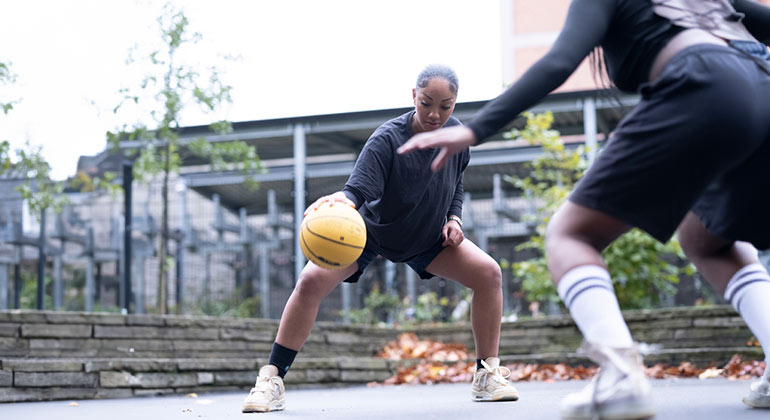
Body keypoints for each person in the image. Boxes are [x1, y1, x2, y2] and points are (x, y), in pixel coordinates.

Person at [398, 0, 770, 418]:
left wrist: (476, 128)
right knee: (708, 238)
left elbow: (560, 61)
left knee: (571, 234)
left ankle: (621, 377)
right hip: (761, 85)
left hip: (702, 81)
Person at [241, 64, 519, 413]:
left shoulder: (457, 136)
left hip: (427, 236)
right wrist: (342, 202)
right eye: (426, 102)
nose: (435, 113)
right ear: (412, 96)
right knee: (310, 281)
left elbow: (456, 181)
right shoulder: (387, 139)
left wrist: (453, 217)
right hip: (370, 234)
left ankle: (486, 374)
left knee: (490, 274)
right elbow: (357, 190)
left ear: (455, 103)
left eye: (445, 105)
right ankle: (271, 379)